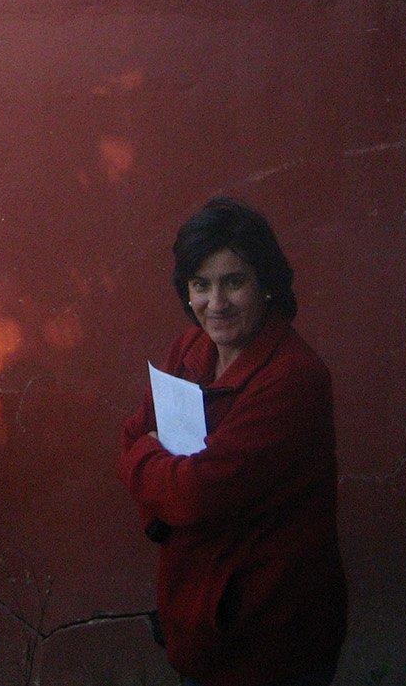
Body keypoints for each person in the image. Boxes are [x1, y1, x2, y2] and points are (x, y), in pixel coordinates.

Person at [118, 197, 345, 686]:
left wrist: (153, 467)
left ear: (267, 284)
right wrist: (162, 486)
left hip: (269, 635)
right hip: (200, 620)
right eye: (201, 285)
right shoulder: (191, 347)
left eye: (234, 282)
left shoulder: (292, 377)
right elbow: (133, 434)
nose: (215, 303)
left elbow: (196, 492)